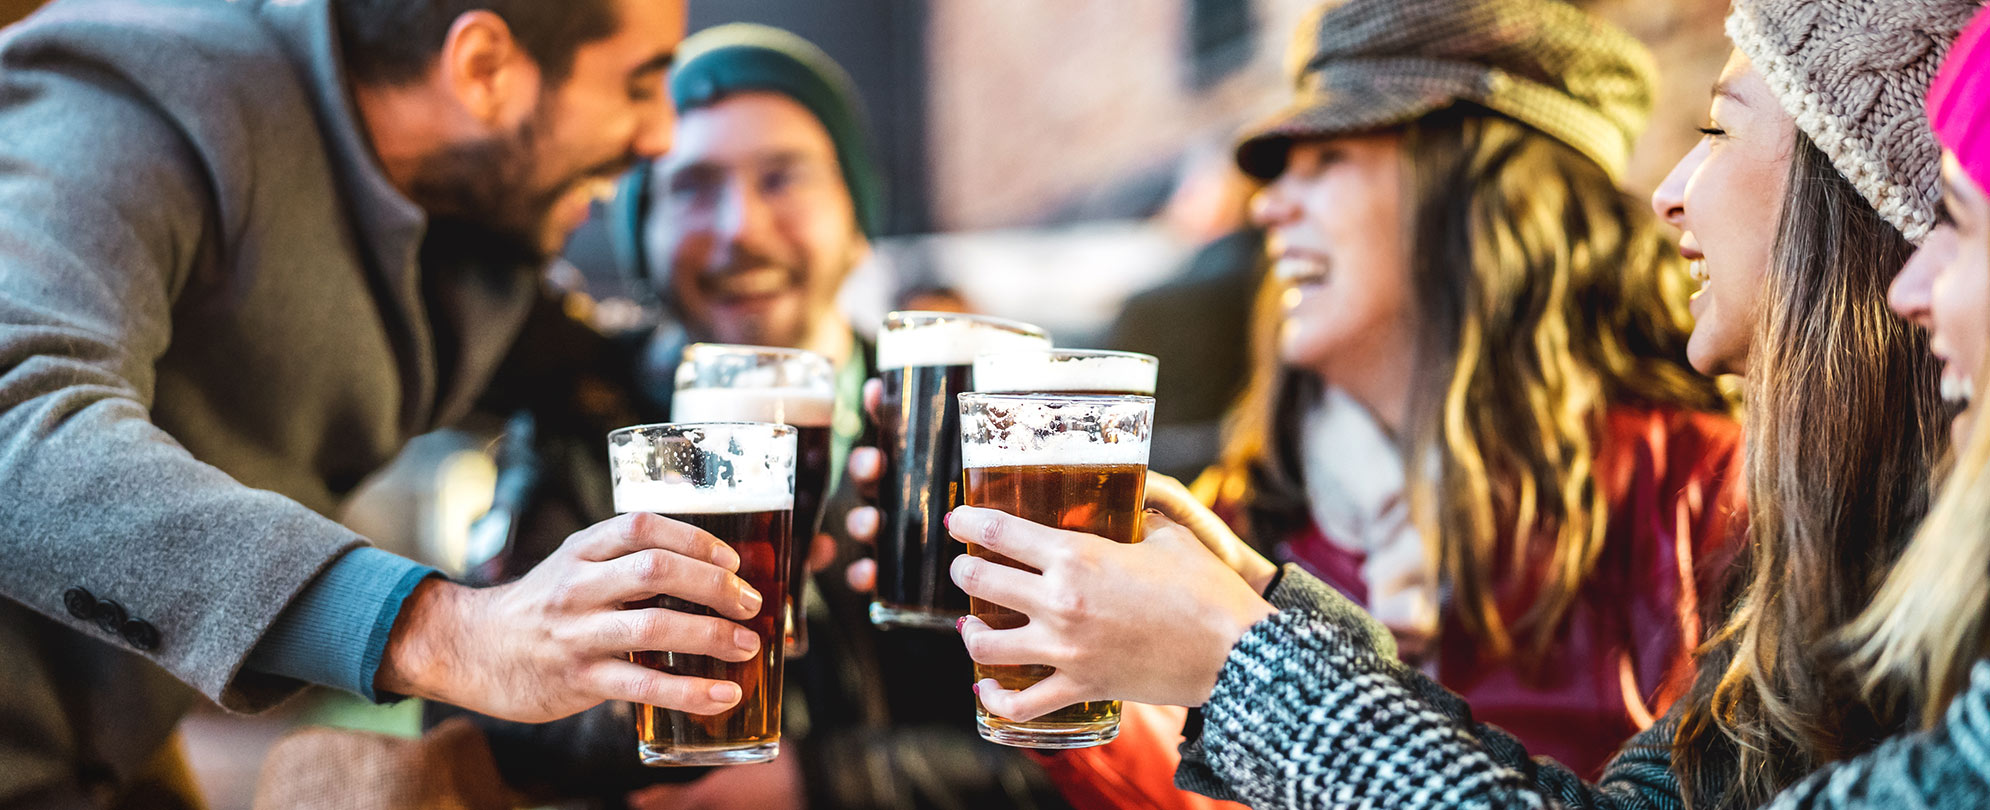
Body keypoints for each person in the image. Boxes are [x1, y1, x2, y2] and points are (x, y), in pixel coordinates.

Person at [934, 0, 1971, 806]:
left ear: (1481, 201)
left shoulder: (1714, 495)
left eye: (1328, 157)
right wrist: (1133, 668)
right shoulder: (1241, 507)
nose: (1269, 203)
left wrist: (1243, 661)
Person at [0, 0, 771, 805]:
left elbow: (605, 378)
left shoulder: (459, 202)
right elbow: (15, 414)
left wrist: (841, 449)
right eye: (639, 85)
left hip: (108, 760)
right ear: (482, 67)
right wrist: (444, 632)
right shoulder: (137, 97)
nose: (659, 138)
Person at [453, 25, 1073, 810]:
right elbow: (478, 721)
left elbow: (1074, 750)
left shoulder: (957, 432)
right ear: (643, 235)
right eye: (692, 186)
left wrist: (821, 782)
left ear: (856, 220)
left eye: (782, 178)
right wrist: (646, 724)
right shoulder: (580, 427)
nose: (739, 226)